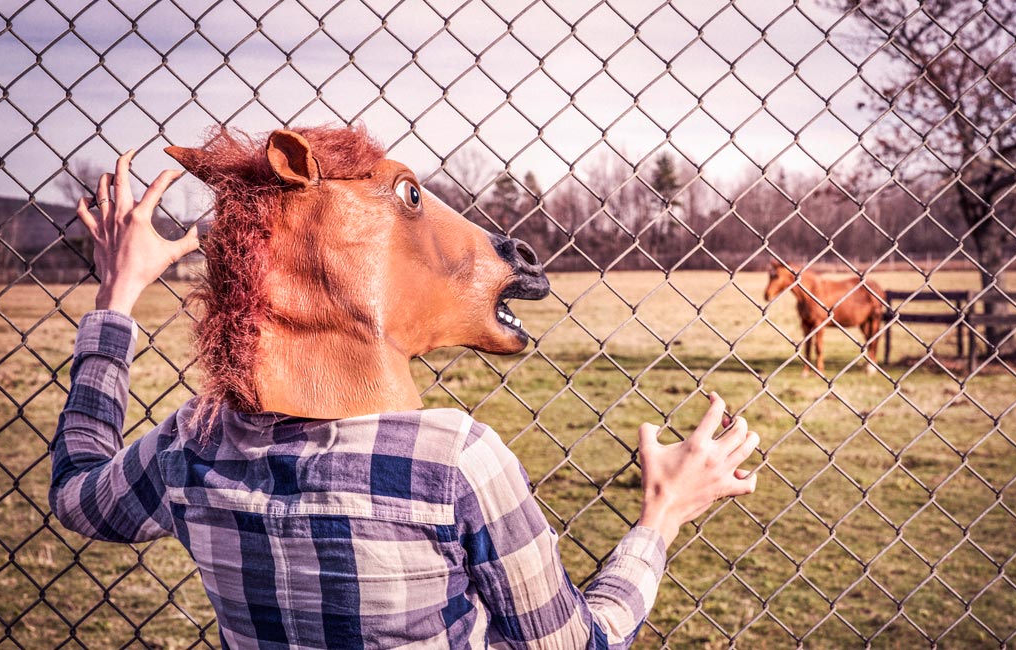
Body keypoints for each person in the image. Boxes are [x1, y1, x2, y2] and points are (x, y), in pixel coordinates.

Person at [50, 143, 760, 648]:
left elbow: (78, 494)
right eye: (410, 199)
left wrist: (116, 300)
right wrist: (662, 516)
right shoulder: (453, 460)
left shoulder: (193, 443)